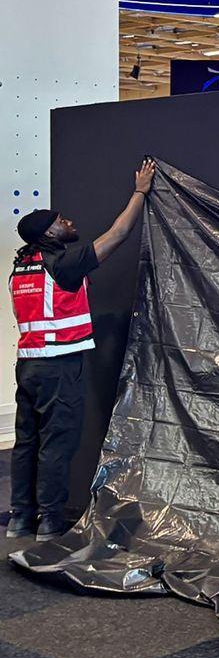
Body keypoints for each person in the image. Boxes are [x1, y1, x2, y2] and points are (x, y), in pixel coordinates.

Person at [7, 158, 156, 541]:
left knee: (27, 443)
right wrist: (140, 192)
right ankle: (50, 521)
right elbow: (118, 234)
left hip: (28, 368)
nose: (69, 222)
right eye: (61, 221)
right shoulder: (63, 265)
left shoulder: (22, 267)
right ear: (49, 233)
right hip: (58, 368)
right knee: (56, 444)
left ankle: (21, 518)